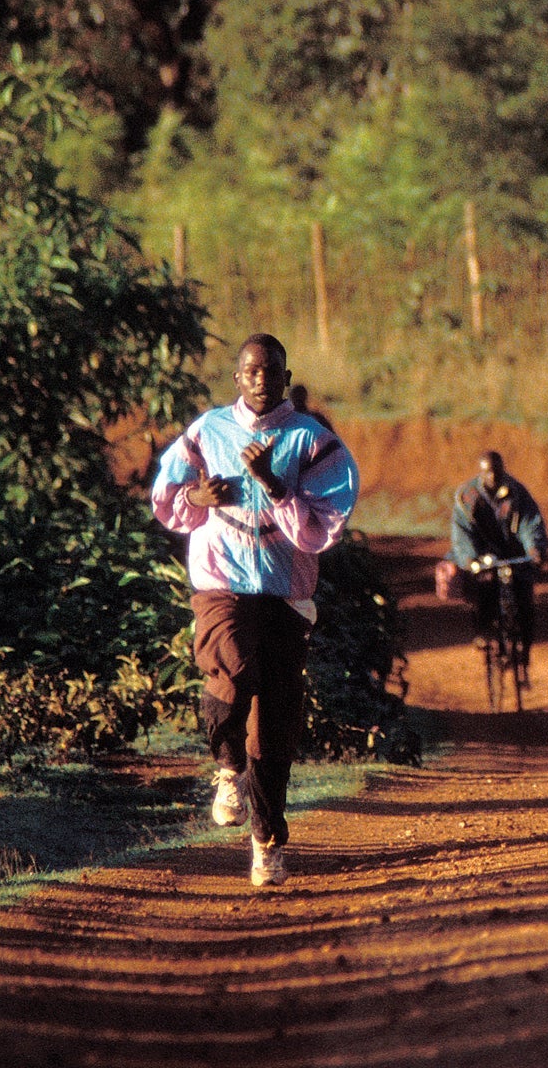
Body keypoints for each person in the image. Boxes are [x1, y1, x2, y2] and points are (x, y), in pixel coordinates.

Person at [152, 333, 359, 885]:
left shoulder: (312, 442)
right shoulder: (208, 431)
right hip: (221, 582)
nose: (262, 379)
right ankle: (226, 768)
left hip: (286, 594)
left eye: (272, 371)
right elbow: (168, 496)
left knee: (274, 726)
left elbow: (324, 527)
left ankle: (267, 842)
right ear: (237, 378)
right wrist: (197, 499)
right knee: (232, 665)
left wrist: (271, 483)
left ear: (286, 378)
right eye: (251, 371)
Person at [449, 450, 548, 681]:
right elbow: (462, 532)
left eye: (497, 472)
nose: (493, 477)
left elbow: (530, 523)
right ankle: (484, 633)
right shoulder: (467, 496)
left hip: (514, 555)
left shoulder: (517, 493)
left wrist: (534, 549)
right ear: (481, 473)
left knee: (525, 601)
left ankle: (524, 653)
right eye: (488, 473)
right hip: (484, 558)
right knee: (483, 590)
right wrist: (471, 558)